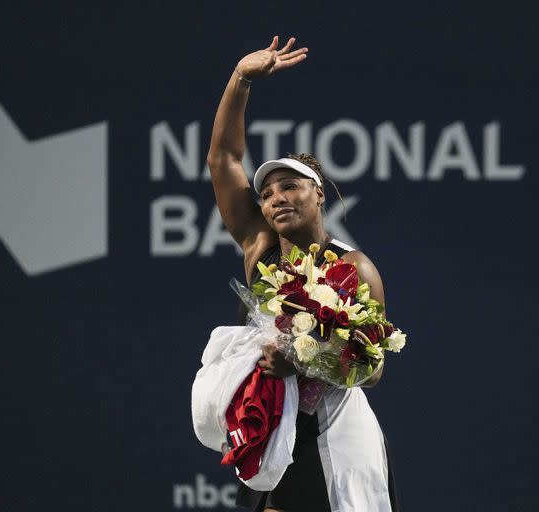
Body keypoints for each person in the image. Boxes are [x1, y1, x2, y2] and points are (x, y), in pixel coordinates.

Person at [206, 36, 399, 512]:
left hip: (334, 436)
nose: (276, 199)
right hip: (269, 430)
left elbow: (373, 370)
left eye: (290, 186)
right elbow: (223, 160)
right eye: (268, 193)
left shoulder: (354, 267)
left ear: (319, 194)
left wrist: (305, 363)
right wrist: (241, 79)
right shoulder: (260, 248)